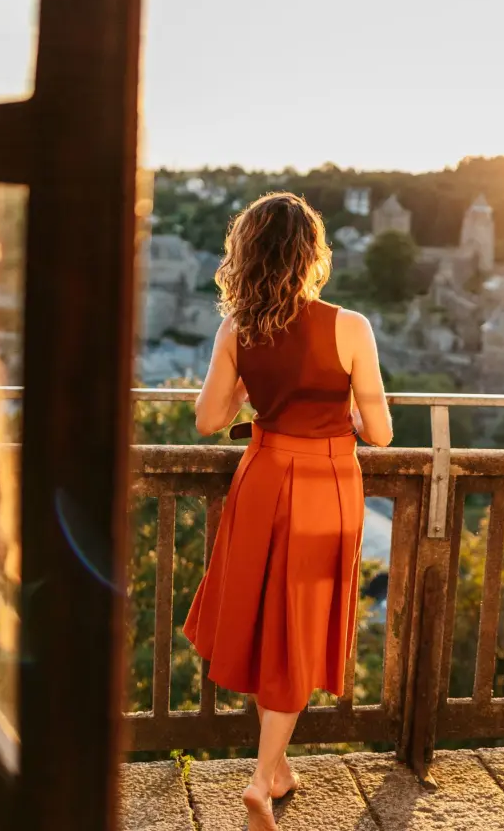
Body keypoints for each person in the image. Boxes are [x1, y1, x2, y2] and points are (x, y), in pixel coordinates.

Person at [183, 192, 393, 831]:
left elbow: (208, 420)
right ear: (311, 255)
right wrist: (348, 412)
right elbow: (381, 434)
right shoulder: (350, 326)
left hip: (263, 477)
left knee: (264, 620)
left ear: (246, 254)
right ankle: (261, 778)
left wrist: (247, 386)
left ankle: (274, 772)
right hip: (328, 484)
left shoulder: (236, 329)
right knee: (297, 628)